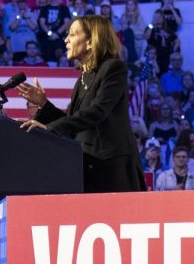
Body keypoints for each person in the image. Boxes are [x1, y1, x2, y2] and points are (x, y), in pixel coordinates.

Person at [17, 15, 146, 192]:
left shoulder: (113, 68)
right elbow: (73, 122)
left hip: (112, 170)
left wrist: (51, 128)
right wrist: (44, 104)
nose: (66, 39)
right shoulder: (82, 79)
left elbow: (97, 111)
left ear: (91, 41)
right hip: (87, 167)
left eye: (72, 34)